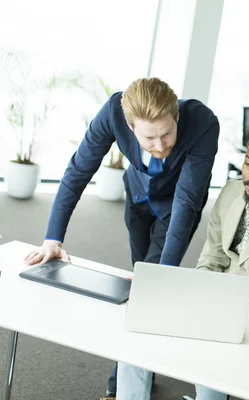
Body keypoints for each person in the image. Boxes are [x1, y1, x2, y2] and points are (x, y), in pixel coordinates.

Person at [22, 77, 219, 400]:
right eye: (149, 138)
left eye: (167, 134)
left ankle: (120, 388)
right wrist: (52, 237)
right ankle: (143, 365)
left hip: (177, 210)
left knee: (148, 287)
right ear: (130, 125)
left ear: (177, 117)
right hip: (138, 199)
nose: (160, 146)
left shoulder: (202, 122)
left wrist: (162, 275)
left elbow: (186, 200)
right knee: (139, 275)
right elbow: (77, 172)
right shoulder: (114, 113)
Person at [116, 127, 249, 400]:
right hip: (216, 296)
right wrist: (201, 295)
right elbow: (211, 258)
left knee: (214, 355)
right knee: (138, 334)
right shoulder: (231, 192)